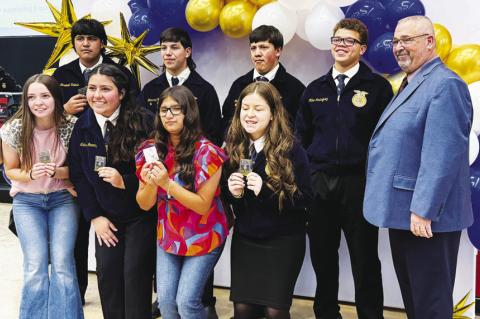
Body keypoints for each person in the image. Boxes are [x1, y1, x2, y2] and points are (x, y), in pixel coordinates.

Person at [363, 16, 473, 319]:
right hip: (405, 214)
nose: (399, 47)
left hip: (425, 219)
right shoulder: (415, 81)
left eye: (408, 40)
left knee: (431, 306)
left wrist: (423, 209)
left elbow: (442, 154)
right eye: (396, 41)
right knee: (416, 303)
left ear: (429, 41)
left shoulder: (445, 85)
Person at [295, 18, 393, 319]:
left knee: (365, 260)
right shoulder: (315, 89)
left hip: (359, 185)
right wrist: (309, 177)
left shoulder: (377, 88)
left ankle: (370, 314)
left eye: (348, 40)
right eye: (336, 39)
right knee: (323, 257)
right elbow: (301, 138)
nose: (340, 44)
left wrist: (373, 180)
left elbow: (386, 140)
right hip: (320, 184)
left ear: (362, 48)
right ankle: (326, 313)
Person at [52, 17, 139, 304]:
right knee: (86, 248)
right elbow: (45, 118)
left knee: (131, 270)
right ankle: (75, 296)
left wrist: (124, 181)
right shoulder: (61, 75)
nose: (84, 43)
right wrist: (63, 110)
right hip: (84, 181)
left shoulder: (124, 81)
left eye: (90, 38)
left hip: (133, 203)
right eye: (79, 38)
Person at [68, 63, 156, 319]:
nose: (96, 95)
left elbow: (154, 169)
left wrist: (125, 181)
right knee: (108, 277)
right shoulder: (82, 125)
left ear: (122, 92)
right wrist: (95, 216)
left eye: (105, 89)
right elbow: (79, 176)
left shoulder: (144, 122)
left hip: (140, 215)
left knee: (135, 277)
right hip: (105, 217)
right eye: (92, 88)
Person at [136, 85, 229, 319]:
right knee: (166, 304)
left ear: (189, 113)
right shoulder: (150, 149)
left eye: (176, 109)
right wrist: (149, 183)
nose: (168, 115)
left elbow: (202, 205)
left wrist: (167, 184)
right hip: (168, 234)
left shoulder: (208, 152)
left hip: (204, 235)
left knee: (187, 303)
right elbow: (144, 204)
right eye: (164, 110)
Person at [224, 81, 313, 319]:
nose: (250, 114)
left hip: (282, 241)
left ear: (273, 113)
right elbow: (227, 197)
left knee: (275, 311)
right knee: (243, 310)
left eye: (258, 109)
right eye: (245, 108)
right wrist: (230, 191)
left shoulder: (291, 148)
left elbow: (306, 198)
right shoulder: (235, 147)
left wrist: (265, 191)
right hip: (246, 240)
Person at [1, 74, 83, 318]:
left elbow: (80, 169)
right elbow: (11, 170)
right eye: (31, 97)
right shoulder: (13, 128)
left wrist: (57, 172)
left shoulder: (72, 125)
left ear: (56, 97)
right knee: (35, 265)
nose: (38, 102)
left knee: (62, 264)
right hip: (28, 202)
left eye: (44, 95)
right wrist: (31, 174)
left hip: (62, 199)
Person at [139, 27, 222, 146]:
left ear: (187, 52)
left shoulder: (205, 90)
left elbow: (214, 136)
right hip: (157, 158)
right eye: (163, 48)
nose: (167, 53)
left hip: (193, 159)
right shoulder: (149, 89)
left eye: (174, 47)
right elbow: (141, 132)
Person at [222, 25, 304, 134]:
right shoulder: (239, 84)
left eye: (263, 47)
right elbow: (227, 122)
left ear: (278, 50)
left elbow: (301, 129)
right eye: (253, 48)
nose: (257, 53)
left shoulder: (296, 88)